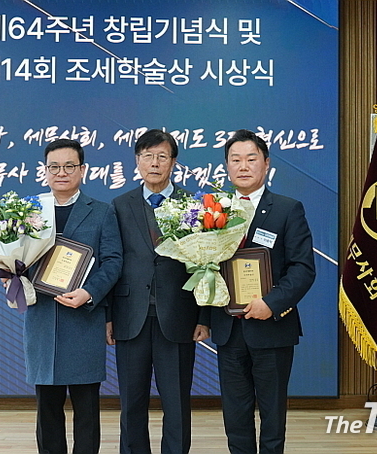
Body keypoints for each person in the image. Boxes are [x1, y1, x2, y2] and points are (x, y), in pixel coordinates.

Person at [209, 129, 316, 454]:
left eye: (251, 159)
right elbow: (204, 269)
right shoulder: (213, 210)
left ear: (266, 163)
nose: (243, 166)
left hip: (272, 327)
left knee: (272, 413)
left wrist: (271, 303)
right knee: (235, 414)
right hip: (228, 328)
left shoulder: (287, 209)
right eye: (235, 160)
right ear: (227, 166)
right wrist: (203, 318)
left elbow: (302, 268)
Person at [109, 129, 210, 454]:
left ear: (173, 162)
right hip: (130, 317)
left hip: (179, 317)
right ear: (137, 161)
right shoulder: (119, 205)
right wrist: (108, 316)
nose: (154, 163)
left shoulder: (193, 205)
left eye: (162, 157)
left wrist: (204, 317)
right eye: (148, 156)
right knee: (131, 402)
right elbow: (111, 262)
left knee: (177, 402)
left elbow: (207, 264)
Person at [20, 138, 122, 454]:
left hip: (83, 318)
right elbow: (15, 258)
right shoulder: (29, 211)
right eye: (54, 167)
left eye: (69, 166)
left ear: (82, 170)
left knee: (86, 406)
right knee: (47, 406)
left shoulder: (102, 212)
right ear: (45, 171)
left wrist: (89, 292)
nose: (61, 173)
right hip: (43, 318)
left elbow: (113, 261)